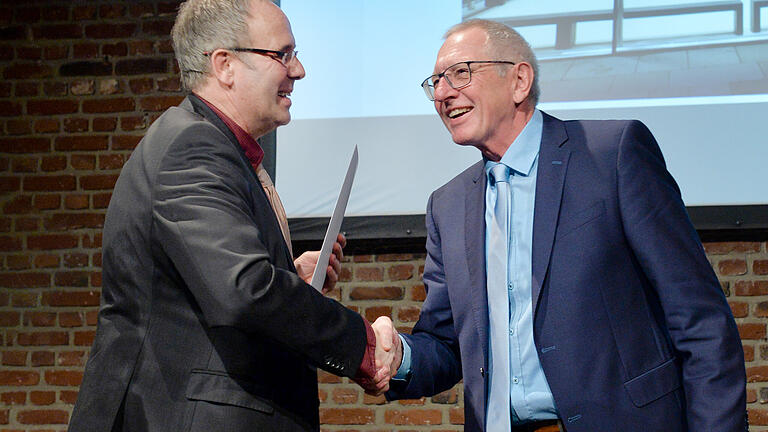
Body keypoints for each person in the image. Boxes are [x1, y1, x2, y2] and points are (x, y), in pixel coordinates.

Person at [382, 19, 747, 432]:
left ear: (519, 80)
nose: (444, 93)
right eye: (436, 82)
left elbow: (701, 322)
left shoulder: (613, 156)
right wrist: (399, 357)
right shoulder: (447, 206)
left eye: (461, 73)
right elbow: (447, 346)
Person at [68, 1, 396, 431]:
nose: (298, 71)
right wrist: (363, 346)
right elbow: (245, 290)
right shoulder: (194, 147)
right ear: (224, 65)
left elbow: (213, 284)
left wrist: (289, 277)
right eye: (283, 54)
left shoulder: (212, 146)